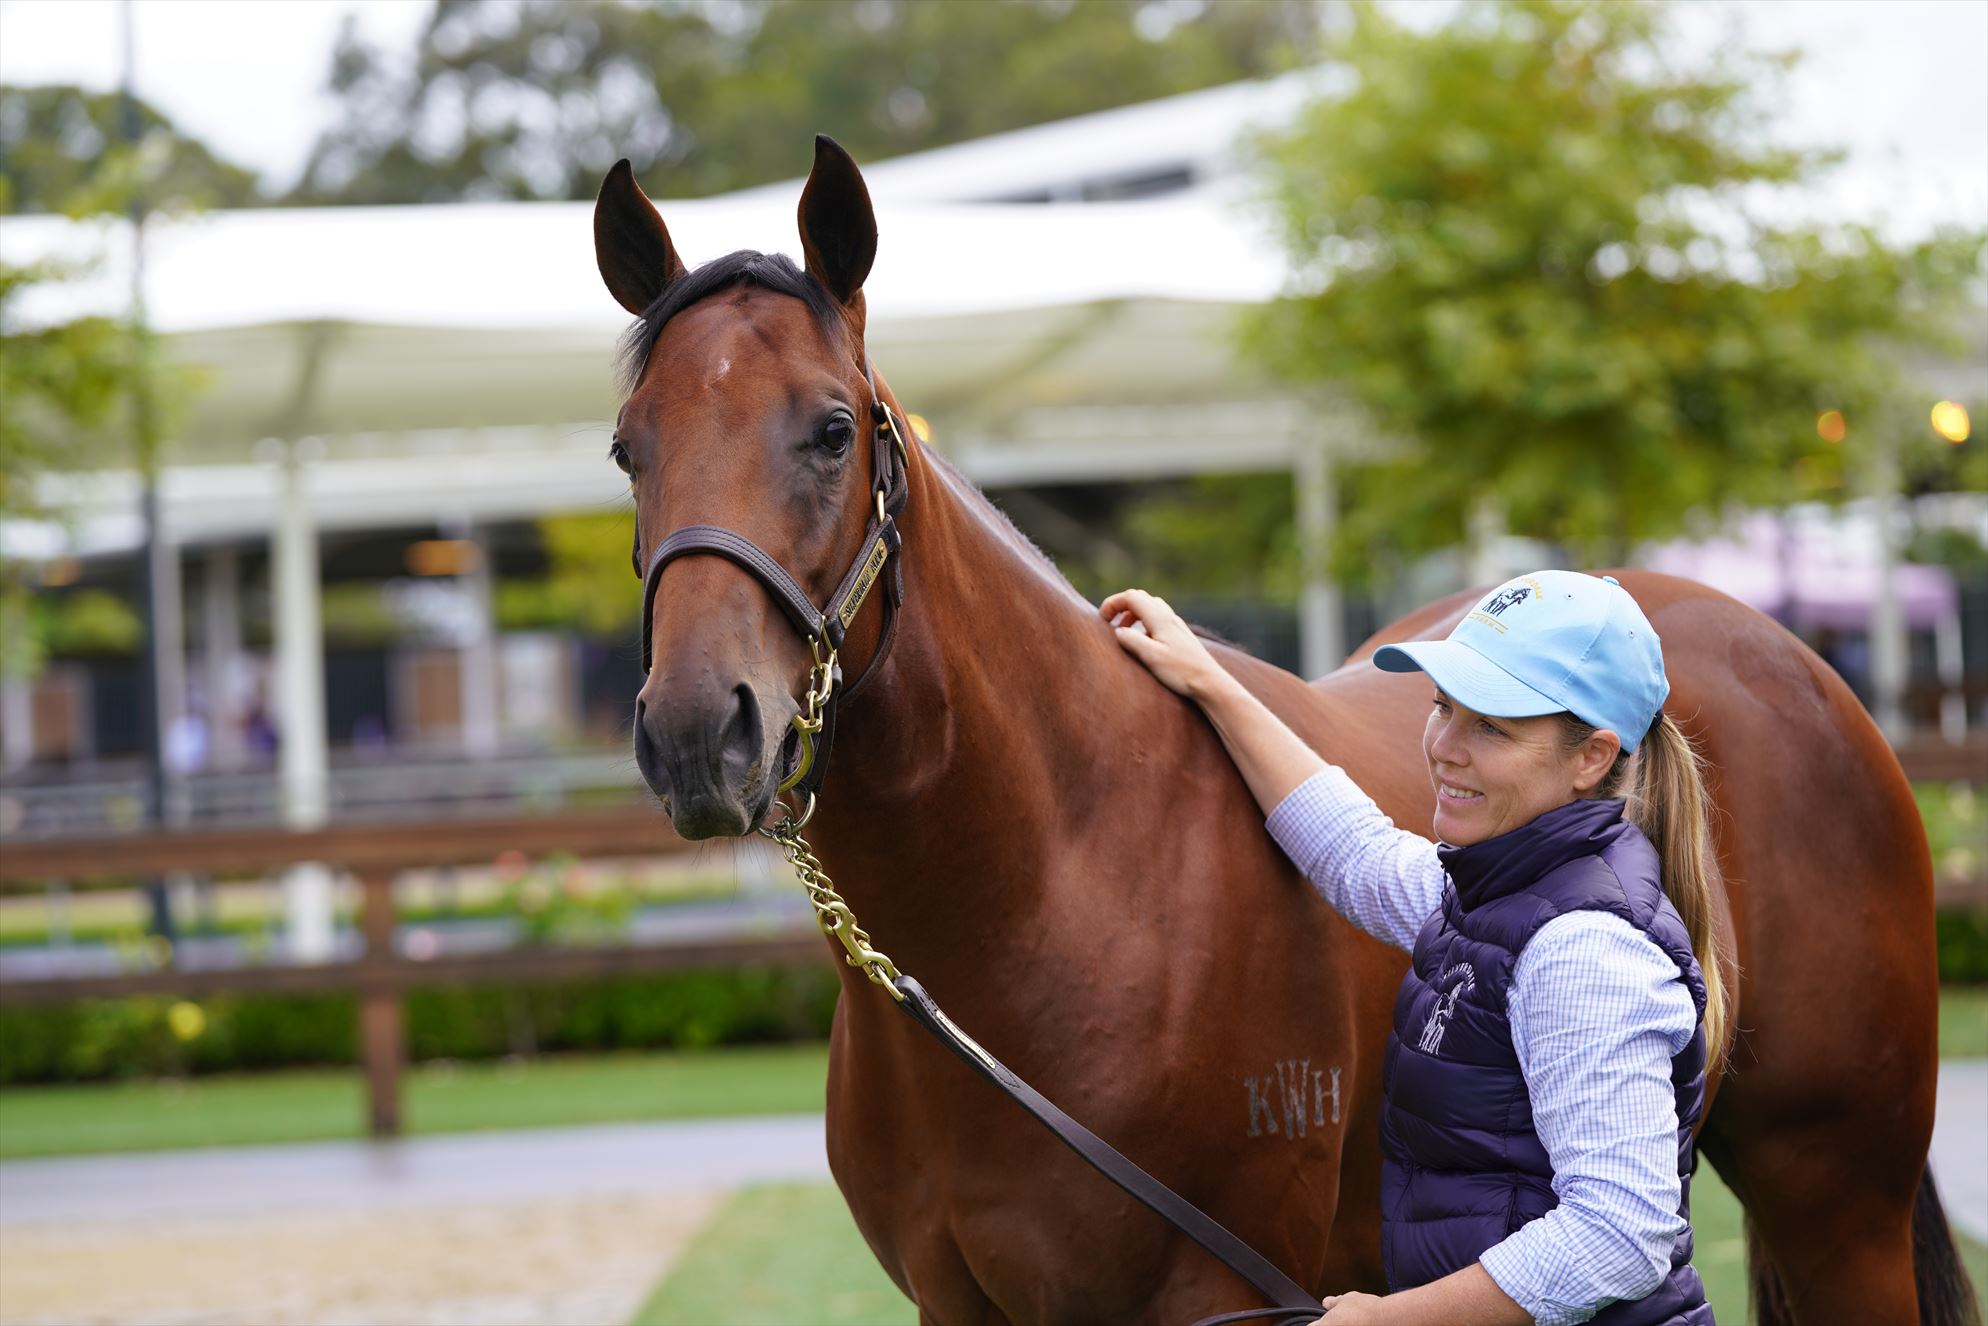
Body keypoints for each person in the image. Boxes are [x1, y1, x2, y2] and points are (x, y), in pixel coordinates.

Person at [1101, 571, 1724, 1326]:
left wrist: (1390, 1318)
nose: (1444, 748)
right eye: (1442, 706)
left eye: (1491, 727)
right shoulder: (1499, 888)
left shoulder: (1583, 948)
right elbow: (1355, 853)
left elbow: (1619, 1233)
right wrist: (1209, 680)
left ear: (1591, 757)